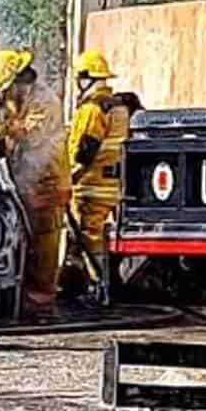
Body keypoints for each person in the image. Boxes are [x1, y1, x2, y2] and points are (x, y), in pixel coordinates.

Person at [0, 49, 70, 317]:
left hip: (46, 182)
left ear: (18, 82)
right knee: (25, 242)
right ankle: (24, 300)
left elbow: (31, 139)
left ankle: (41, 306)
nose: (4, 96)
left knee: (43, 248)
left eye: (5, 90)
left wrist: (4, 123)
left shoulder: (44, 101)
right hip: (24, 183)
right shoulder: (20, 101)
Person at [63, 49, 131, 299]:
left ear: (85, 78)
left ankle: (99, 287)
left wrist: (69, 178)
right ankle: (101, 284)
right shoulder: (118, 107)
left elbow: (85, 151)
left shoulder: (92, 109)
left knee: (88, 235)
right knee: (103, 235)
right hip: (114, 184)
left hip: (91, 185)